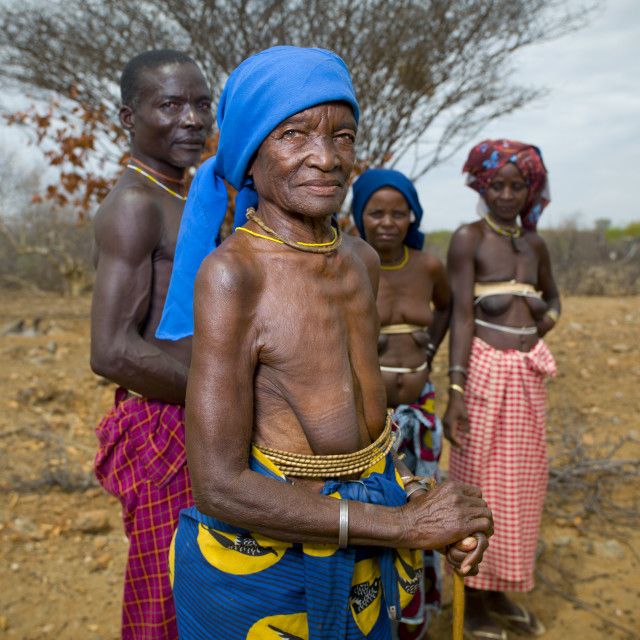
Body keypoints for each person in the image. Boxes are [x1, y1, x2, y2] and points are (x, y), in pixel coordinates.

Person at [157, 45, 493, 640]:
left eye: (343, 136)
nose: (326, 157)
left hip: (364, 534)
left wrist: (417, 494)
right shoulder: (235, 275)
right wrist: (404, 528)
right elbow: (218, 484)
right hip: (267, 569)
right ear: (250, 157)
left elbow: (365, 429)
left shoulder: (360, 260)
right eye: (294, 134)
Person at [89, 50, 213, 640]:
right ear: (127, 116)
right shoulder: (137, 205)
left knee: (214, 591)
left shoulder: (187, 196)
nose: (191, 119)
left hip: (202, 419)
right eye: (169, 104)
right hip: (168, 425)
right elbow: (111, 350)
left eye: (201, 103)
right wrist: (220, 397)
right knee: (166, 602)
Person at [443, 139, 560, 639]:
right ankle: (473, 605)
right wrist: (456, 390)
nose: (508, 194)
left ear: (531, 188)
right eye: (498, 185)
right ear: (480, 184)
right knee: (480, 483)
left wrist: (543, 319)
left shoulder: (534, 245)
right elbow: (462, 316)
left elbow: (554, 299)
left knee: (522, 488)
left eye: (518, 185)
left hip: (528, 374)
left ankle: (502, 590)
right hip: (484, 372)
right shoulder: (469, 238)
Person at [352, 168, 451, 638]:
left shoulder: (428, 266)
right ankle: (379, 615)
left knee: (425, 508)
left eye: (398, 212)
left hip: (422, 411)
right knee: (383, 511)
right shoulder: (349, 263)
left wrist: (428, 348)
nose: (388, 222)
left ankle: (416, 614)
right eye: (377, 212)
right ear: (359, 215)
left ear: (412, 216)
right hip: (368, 418)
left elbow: (448, 305)